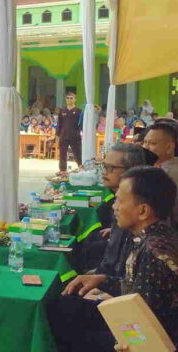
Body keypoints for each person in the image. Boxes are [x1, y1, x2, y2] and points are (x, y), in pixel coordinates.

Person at [51, 167, 178, 352]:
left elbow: (145, 325)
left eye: (119, 200)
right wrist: (103, 280)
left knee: (64, 324)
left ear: (142, 211)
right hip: (133, 320)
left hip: (143, 338)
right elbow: (140, 288)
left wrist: (103, 298)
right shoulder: (152, 235)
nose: (114, 206)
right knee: (64, 304)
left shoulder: (154, 252)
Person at [76, 145, 157, 273]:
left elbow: (121, 271)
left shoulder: (134, 208)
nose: (104, 172)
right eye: (103, 166)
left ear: (131, 170)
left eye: (110, 168)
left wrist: (99, 279)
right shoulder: (120, 200)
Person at [57, 92, 83, 171]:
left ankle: (81, 168)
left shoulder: (79, 111)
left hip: (75, 136)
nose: (69, 99)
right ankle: (62, 171)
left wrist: (82, 133)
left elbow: (81, 124)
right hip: (64, 135)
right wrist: (57, 135)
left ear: (75, 99)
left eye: (71, 98)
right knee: (62, 155)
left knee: (78, 153)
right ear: (65, 99)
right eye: (68, 98)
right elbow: (59, 124)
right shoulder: (62, 111)